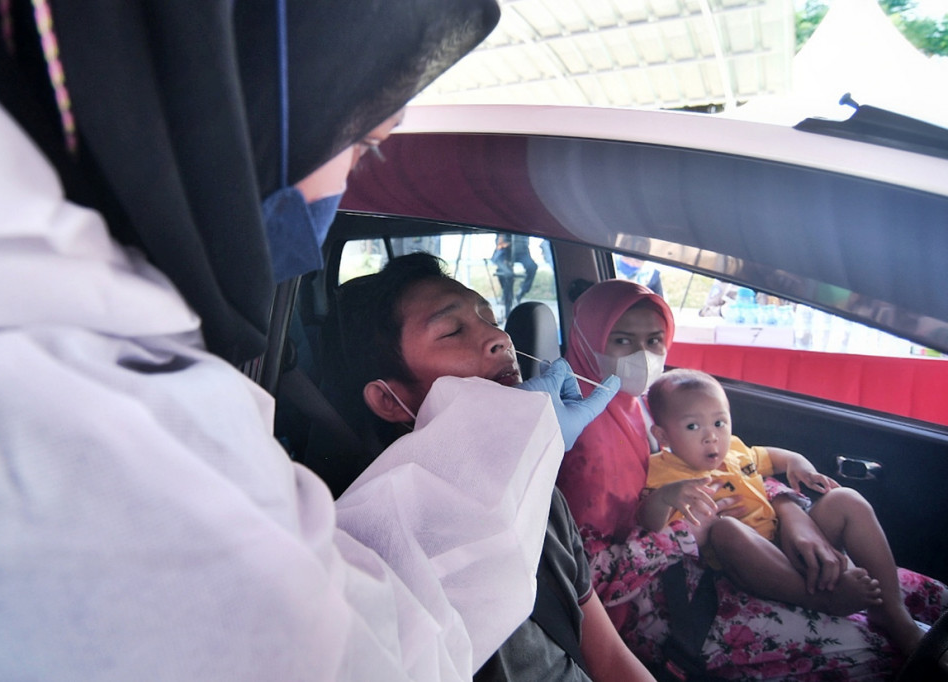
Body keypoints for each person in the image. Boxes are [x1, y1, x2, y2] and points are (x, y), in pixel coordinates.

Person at [0, 1, 614, 678]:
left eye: (485, 314)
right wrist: (507, 443)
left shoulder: (40, 319)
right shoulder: (58, 414)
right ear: (228, 95)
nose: (341, 186)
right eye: (363, 143)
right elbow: (359, 653)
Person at [558, 279, 947, 679]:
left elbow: (738, 466)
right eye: (622, 341)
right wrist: (695, 531)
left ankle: (893, 613)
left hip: (756, 541)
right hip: (661, 597)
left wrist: (793, 514)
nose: (643, 355)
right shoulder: (579, 444)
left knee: (912, 580)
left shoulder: (637, 404)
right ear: (590, 340)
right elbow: (586, 580)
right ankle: (831, 602)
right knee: (883, 655)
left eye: (655, 340)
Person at [328, 252, 651, 682]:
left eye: (489, 316)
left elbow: (608, 656)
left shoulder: (541, 492)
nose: (499, 336)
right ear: (391, 400)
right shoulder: (393, 548)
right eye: (453, 331)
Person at [641, 368, 925, 657]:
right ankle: (822, 600)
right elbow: (649, 521)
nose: (711, 437)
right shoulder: (662, 471)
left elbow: (770, 457)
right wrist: (665, 498)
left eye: (719, 422)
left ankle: (891, 609)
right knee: (726, 529)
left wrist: (796, 462)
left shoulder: (735, 450)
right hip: (745, 561)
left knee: (846, 499)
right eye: (693, 427)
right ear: (663, 435)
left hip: (781, 537)